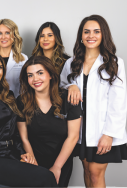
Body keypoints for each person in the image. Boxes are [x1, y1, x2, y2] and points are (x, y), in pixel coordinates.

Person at [0, 51, 57, 187]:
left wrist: (23, 153)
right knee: (46, 176)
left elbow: (15, 131)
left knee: (43, 174)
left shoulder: (8, 95)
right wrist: (14, 155)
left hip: (10, 154)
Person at [60, 15, 127, 187]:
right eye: (87, 32)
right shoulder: (71, 63)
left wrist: (109, 134)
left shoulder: (114, 63)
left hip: (102, 131)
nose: (91, 35)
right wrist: (71, 87)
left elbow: (118, 102)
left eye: (96, 31)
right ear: (81, 36)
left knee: (96, 174)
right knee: (88, 171)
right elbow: (61, 85)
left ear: (103, 35)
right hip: (80, 130)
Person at [16, 56, 82, 187]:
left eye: (40, 73)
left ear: (51, 74)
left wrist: (57, 167)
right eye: (30, 75)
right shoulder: (22, 101)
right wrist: (35, 167)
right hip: (33, 159)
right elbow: (24, 138)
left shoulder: (68, 98)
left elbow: (73, 136)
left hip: (61, 161)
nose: (35, 79)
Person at [0, 19, 27, 97]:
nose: (3, 37)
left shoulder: (23, 59)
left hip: (16, 103)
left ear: (14, 35)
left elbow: (26, 86)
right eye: (0, 33)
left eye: (7, 33)